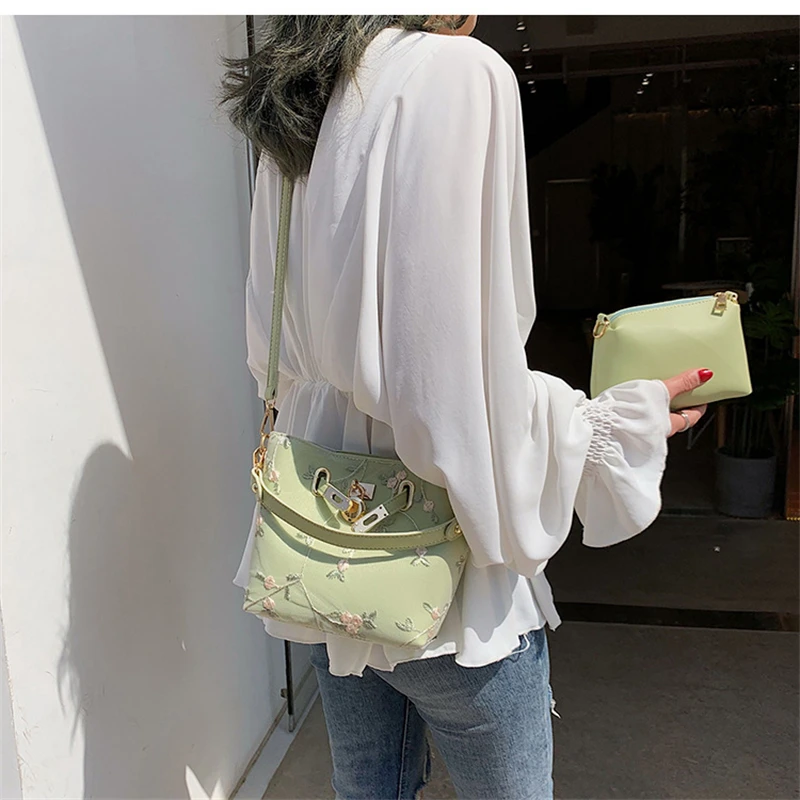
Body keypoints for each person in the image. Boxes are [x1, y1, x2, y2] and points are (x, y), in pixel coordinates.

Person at [220, 15, 710, 800]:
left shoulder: (299, 92)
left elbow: (270, 353)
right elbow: (449, 385)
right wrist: (605, 425)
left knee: (367, 788)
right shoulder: (458, 74)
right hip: (446, 573)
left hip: (323, 550)